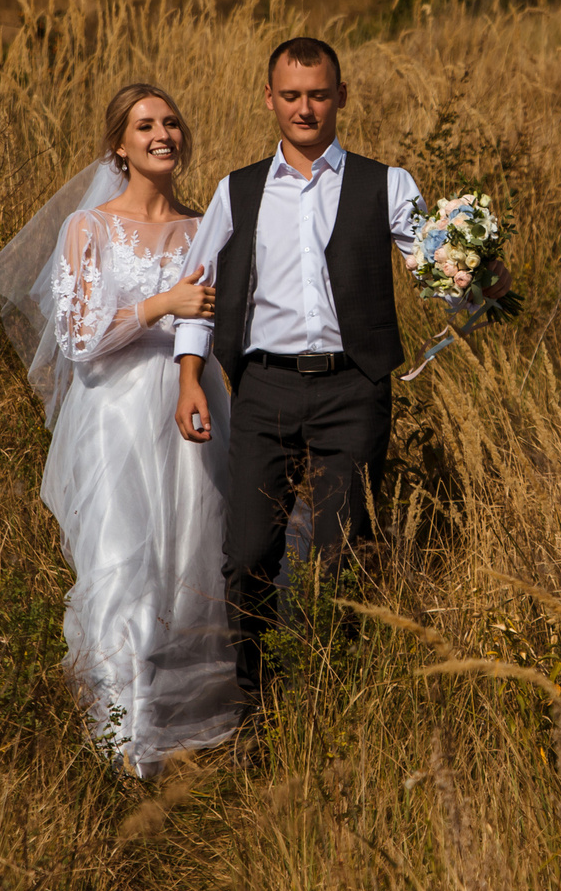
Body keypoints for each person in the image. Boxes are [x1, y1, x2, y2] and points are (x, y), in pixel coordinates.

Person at [0, 83, 241, 770]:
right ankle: (121, 739)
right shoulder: (89, 228)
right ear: (119, 146)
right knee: (122, 563)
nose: (162, 134)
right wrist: (163, 302)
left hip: (190, 405)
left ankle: (183, 727)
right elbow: (78, 337)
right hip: (116, 416)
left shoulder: (204, 226)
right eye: (144, 125)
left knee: (189, 563)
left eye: (171, 122)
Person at [170, 37, 430, 705]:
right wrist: (190, 376)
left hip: (354, 387)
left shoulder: (388, 184)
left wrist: (479, 278)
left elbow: (435, 270)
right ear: (269, 99)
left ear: (341, 96)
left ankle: (331, 701)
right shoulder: (238, 189)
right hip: (265, 388)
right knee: (248, 554)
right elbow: (200, 289)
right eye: (291, 95)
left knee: (341, 555)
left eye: (318, 94)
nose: (305, 108)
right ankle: (258, 705)